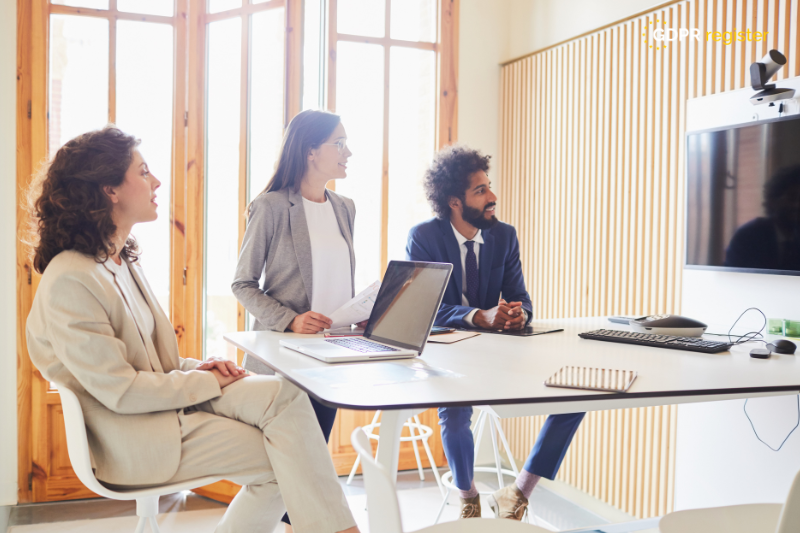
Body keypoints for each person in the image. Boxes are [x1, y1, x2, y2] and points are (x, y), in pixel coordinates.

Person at [25, 126, 359, 533]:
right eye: (144, 172)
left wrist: (201, 367)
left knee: (286, 396)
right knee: (289, 458)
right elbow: (122, 390)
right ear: (109, 189)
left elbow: (153, 361)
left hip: (163, 405)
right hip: (137, 435)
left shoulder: (119, 263)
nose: (157, 181)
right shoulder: (71, 280)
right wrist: (206, 384)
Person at [406, 144, 585, 521]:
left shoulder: (504, 236)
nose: (493, 197)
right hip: (450, 353)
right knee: (454, 414)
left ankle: (519, 492)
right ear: (455, 202)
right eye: (481, 191)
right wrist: (477, 316)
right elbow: (427, 309)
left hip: (503, 354)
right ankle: (468, 498)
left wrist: (518, 315)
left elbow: (520, 296)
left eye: (489, 187)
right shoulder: (423, 237)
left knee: (578, 392)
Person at [232, 109, 356, 531]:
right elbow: (242, 283)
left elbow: (336, 278)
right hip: (289, 356)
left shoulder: (345, 208)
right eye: (339, 143)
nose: (348, 152)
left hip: (336, 349)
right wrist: (289, 320)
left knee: (314, 457)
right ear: (310, 151)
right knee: (292, 467)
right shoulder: (270, 207)